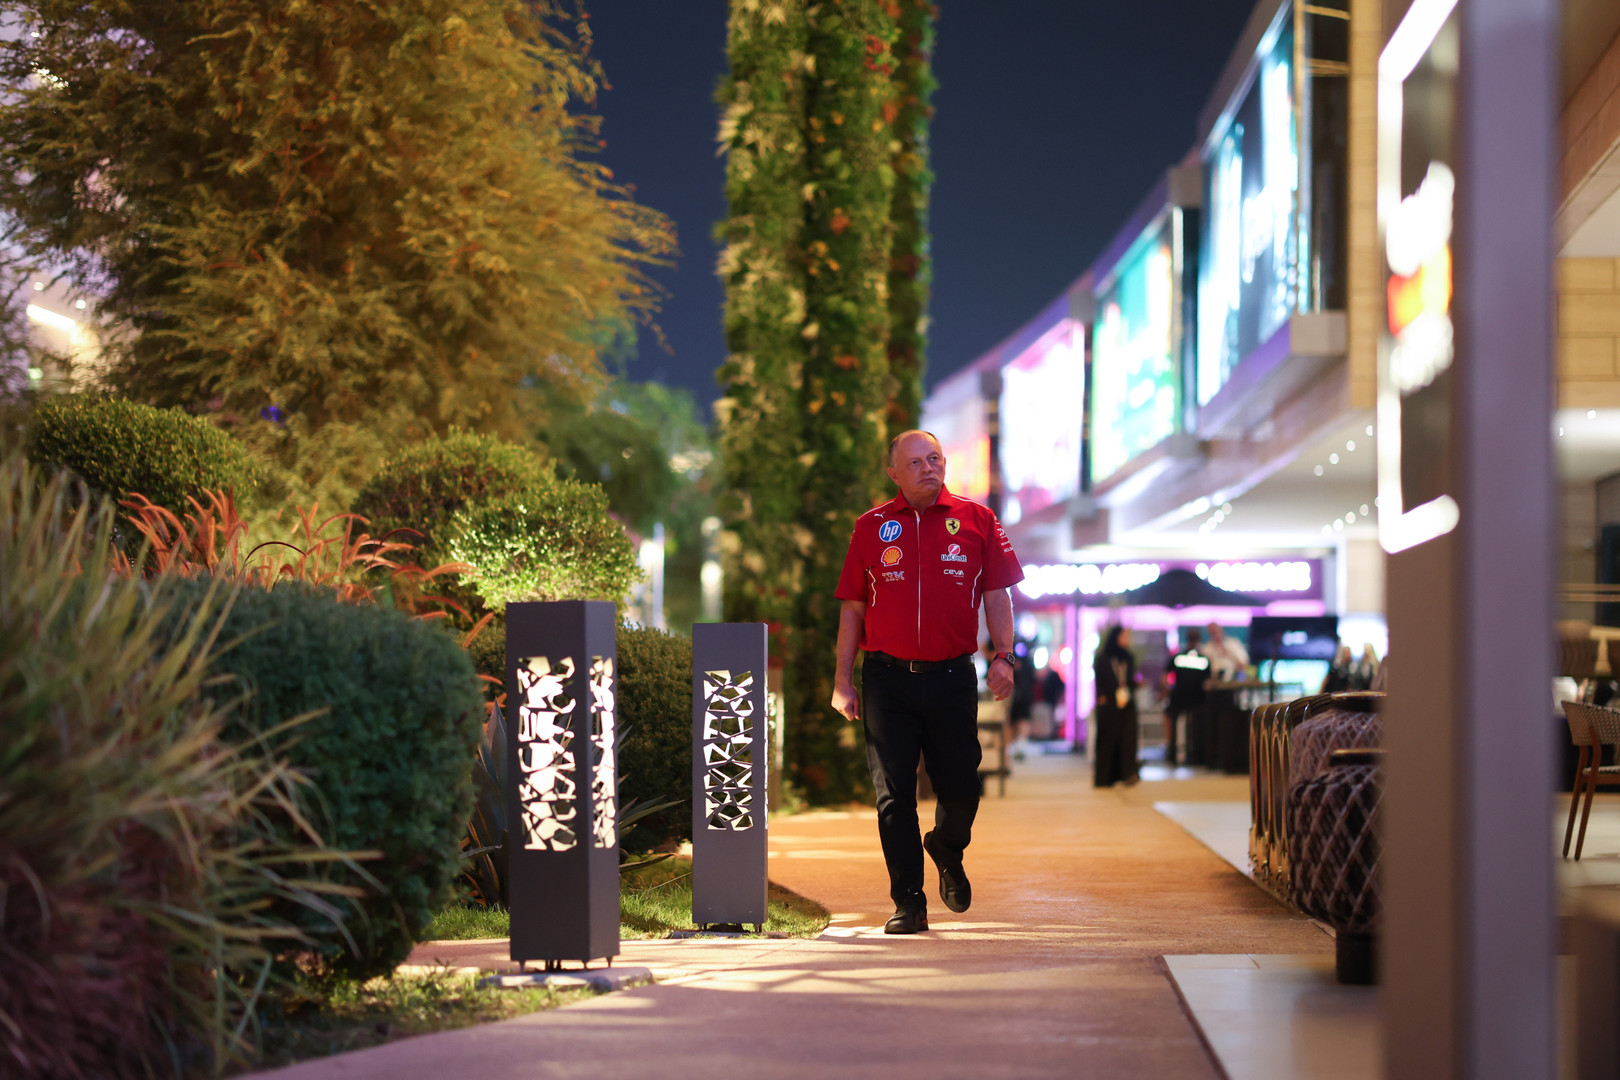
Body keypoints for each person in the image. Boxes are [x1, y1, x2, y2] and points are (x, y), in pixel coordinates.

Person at [831, 430, 1023, 935]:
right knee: (893, 795)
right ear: (893, 473)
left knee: (961, 787)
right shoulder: (871, 527)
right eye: (914, 462)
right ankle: (909, 902)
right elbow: (853, 609)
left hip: (952, 677)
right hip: (887, 681)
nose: (927, 468)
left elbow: (998, 594)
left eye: (934, 458)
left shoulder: (977, 520)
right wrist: (842, 681)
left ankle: (945, 845)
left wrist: (1005, 657)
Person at [1092, 626, 1139, 787]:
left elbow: (1130, 679)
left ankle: (1127, 774)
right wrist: (1102, 698)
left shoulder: (1128, 658)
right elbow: (1100, 682)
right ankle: (1105, 778)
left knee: (1127, 739)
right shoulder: (1103, 658)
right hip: (1109, 705)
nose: (1126, 641)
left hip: (1126, 705)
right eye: (1124, 637)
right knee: (1108, 740)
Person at [1165, 628, 1210, 766]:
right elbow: (1208, 680)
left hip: (1179, 696)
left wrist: (1166, 691)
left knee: (1174, 722)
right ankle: (1196, 756)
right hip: (1197, 698)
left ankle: (1172, 754)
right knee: (1196, 728)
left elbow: (1166, 676)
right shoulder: (1203, 659)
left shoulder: (1178, 657)